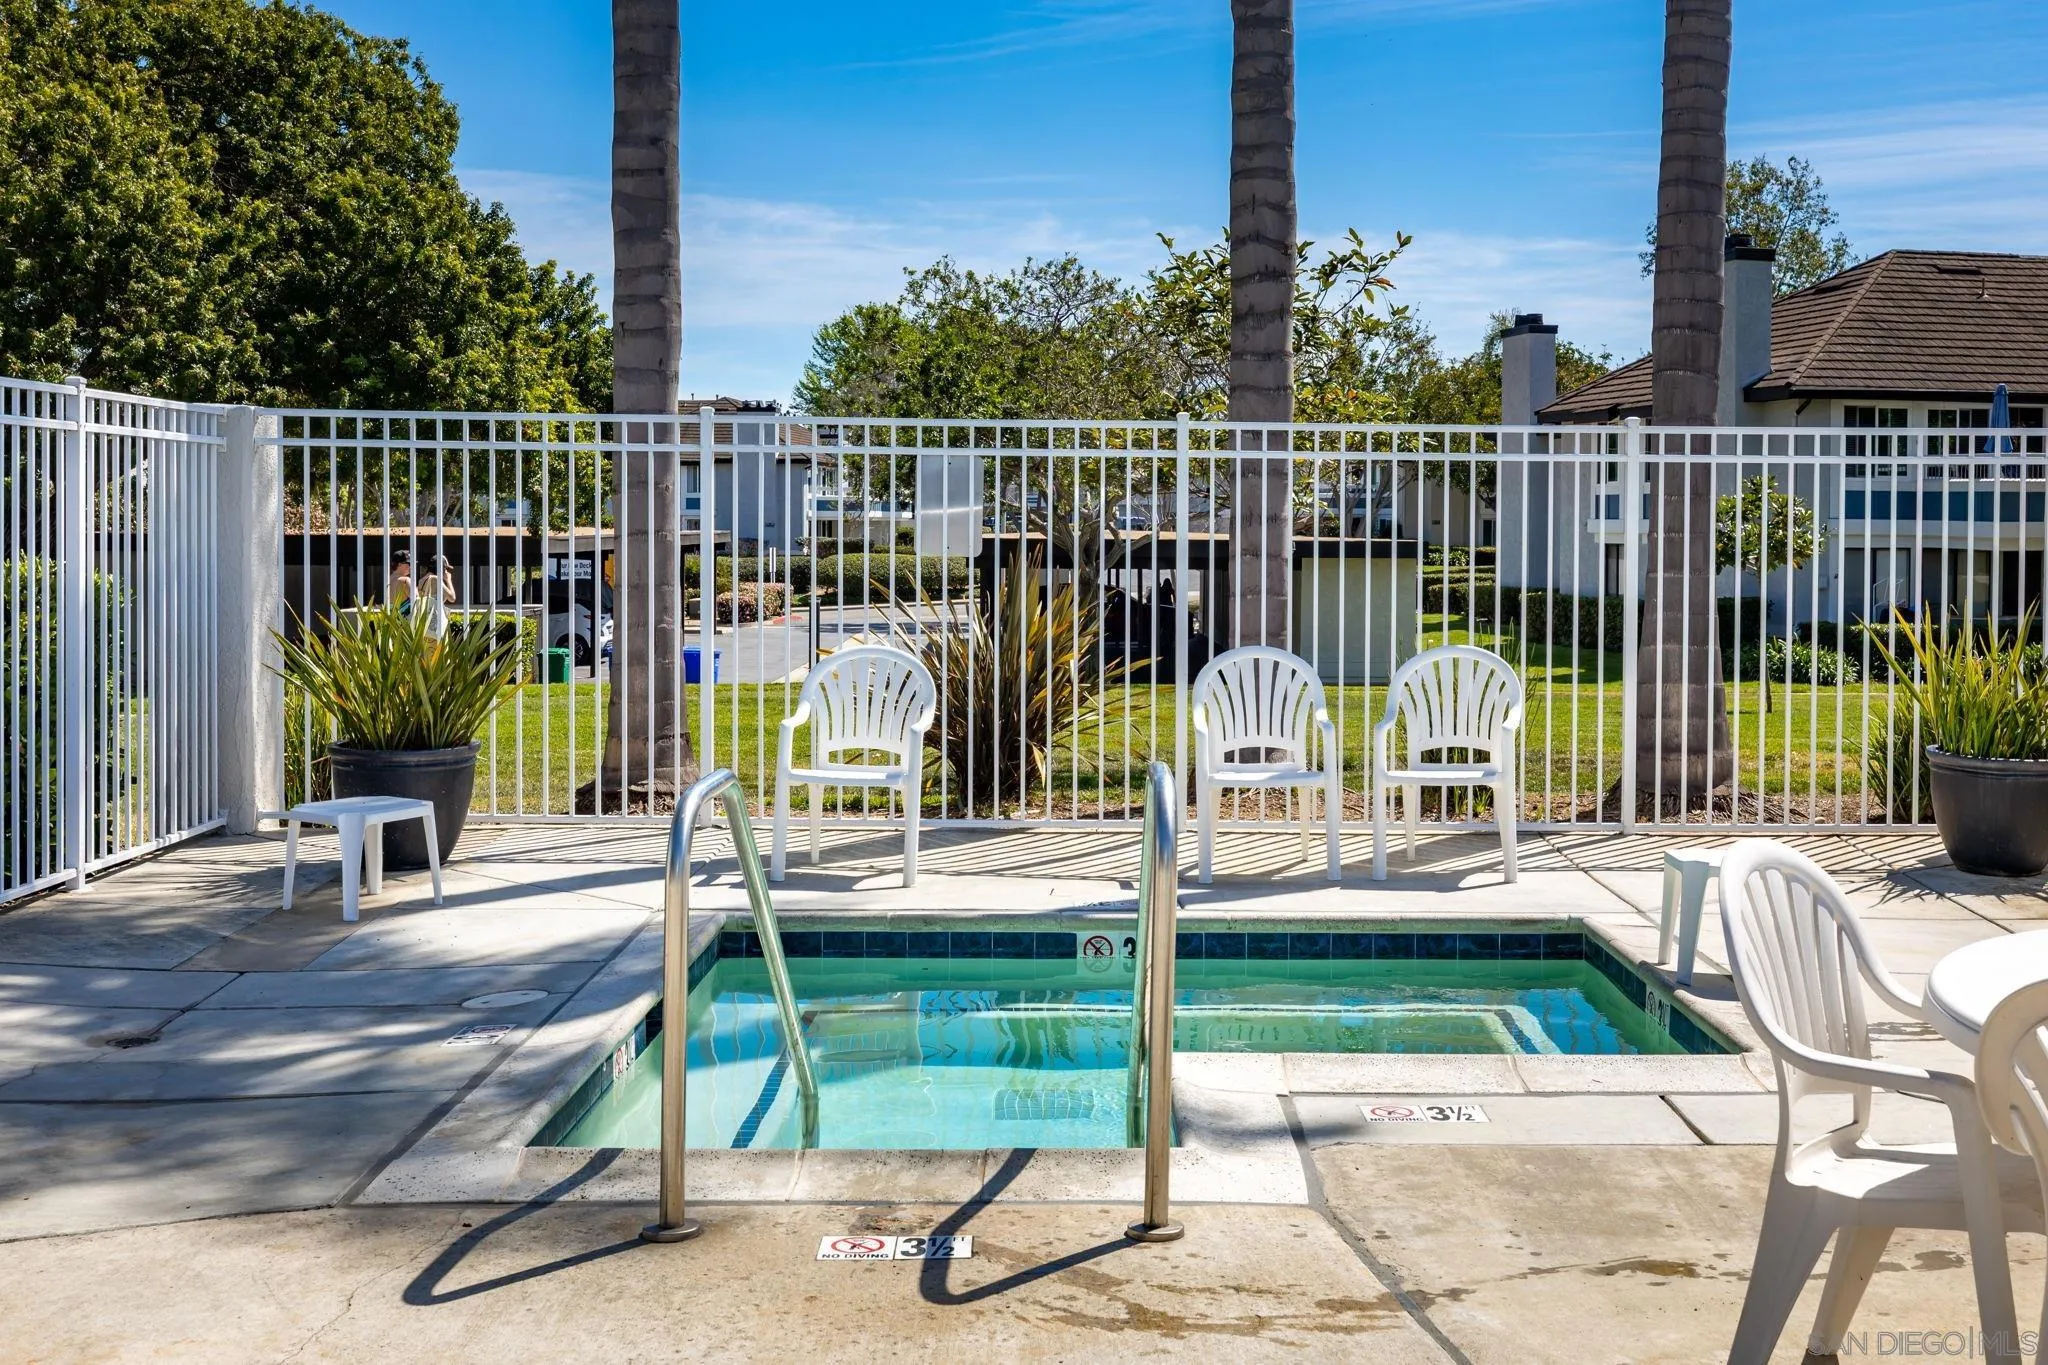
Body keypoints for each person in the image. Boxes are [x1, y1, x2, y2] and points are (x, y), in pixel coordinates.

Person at [415, 554, 456, 639]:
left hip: (424, 622)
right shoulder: (435, 579)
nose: (446, 571)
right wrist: (448, 580)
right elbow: (452, 598)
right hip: (435, 625)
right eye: (445, 568)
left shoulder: (421, 580)